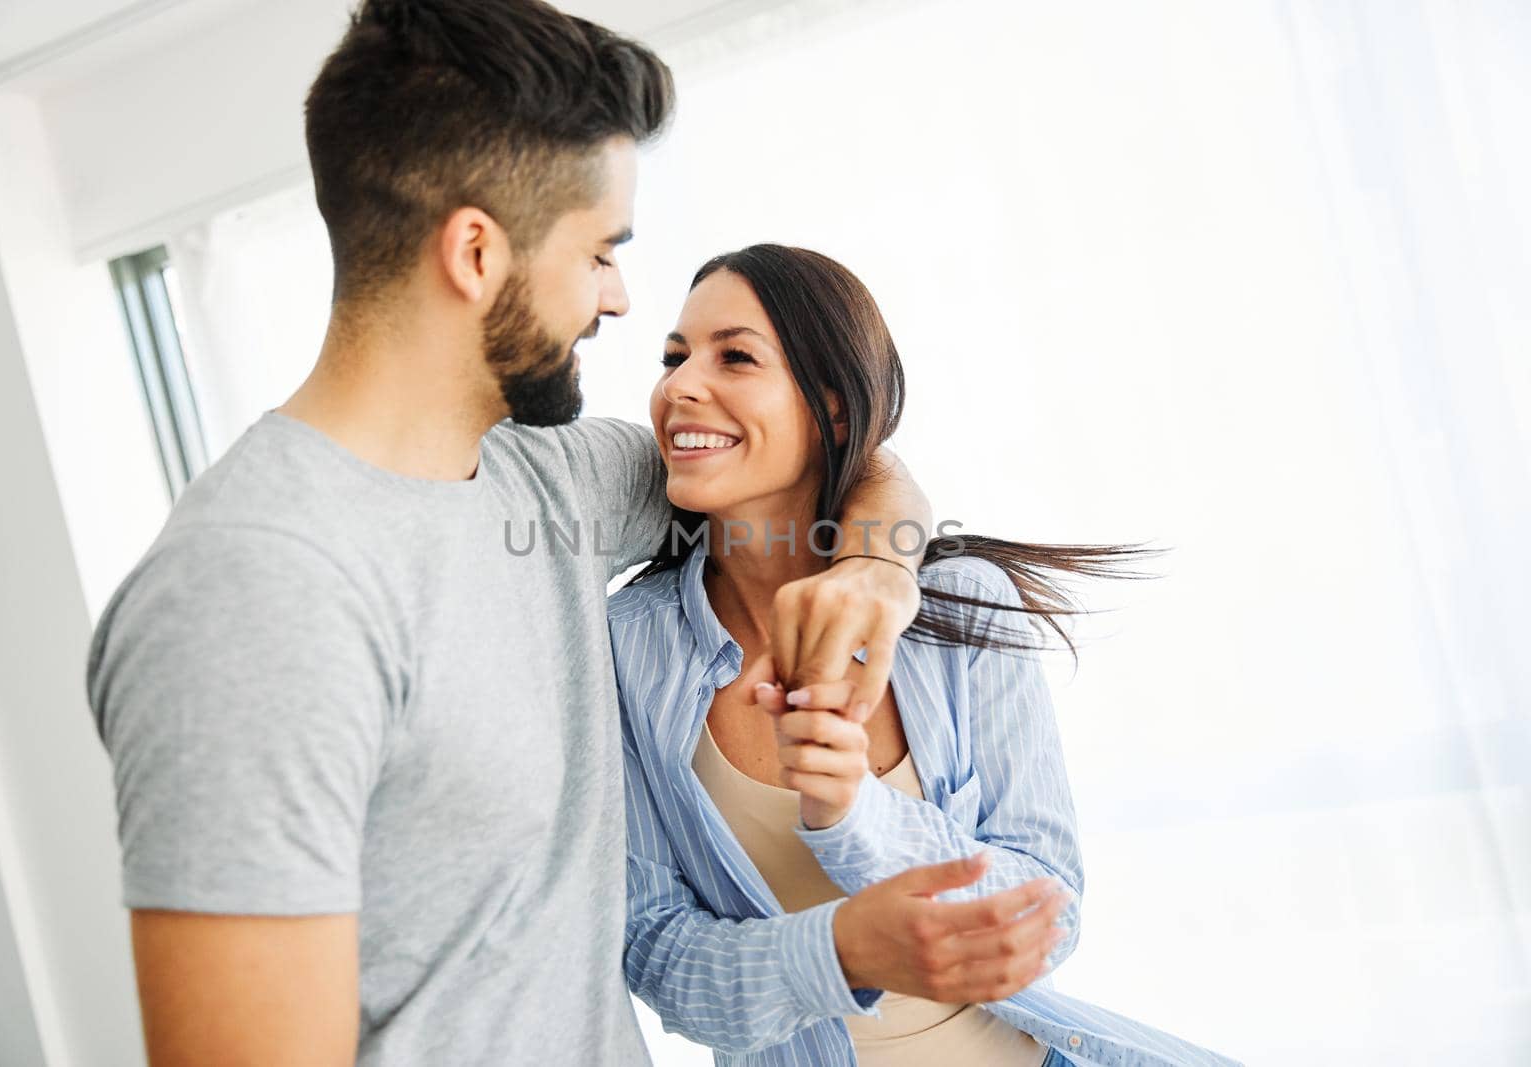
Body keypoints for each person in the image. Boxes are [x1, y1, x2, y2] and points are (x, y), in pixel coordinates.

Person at [85, 6, 943, 1065]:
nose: (620, 299)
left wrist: (874, 569)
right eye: (599, 251)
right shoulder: (254, 594)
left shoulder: (553, 479)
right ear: (477, 252)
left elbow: (829, 458)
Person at [609, 245, 1243, 1066]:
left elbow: (1049, 915)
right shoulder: (628, 647)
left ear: (832, 412)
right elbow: (660, 955)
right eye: (673, 357)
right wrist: (845, 951)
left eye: (734, 355)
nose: (679, 386)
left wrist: (856, 813)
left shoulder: (966, 605)